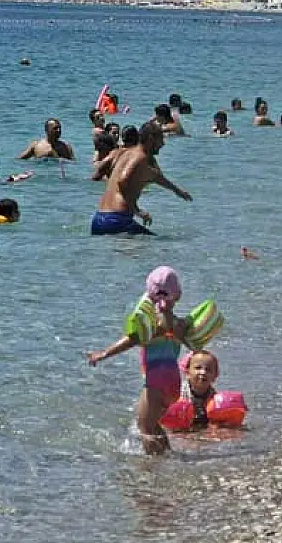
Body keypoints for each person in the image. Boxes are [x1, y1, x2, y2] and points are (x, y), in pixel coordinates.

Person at [86, 266, 194, 455]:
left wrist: (103, 354)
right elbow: (192, 344)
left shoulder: (152, 325)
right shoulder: (180, 324)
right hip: (173, 382)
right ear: (178, 296)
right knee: (153, 425)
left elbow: (132, 339)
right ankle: (169, 458)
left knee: (144, 428)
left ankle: (151, 471)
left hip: (156, 382)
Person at [92, 123, 192, 235]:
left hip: (98, 219)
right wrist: (137, 211)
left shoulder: (125, 153)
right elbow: (122, 180)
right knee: (159, 245)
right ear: (150, 138)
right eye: (161, 139)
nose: (163, 144)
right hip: (116, 220)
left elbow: (155, 176)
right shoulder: (141, 157)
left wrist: (177, 191)